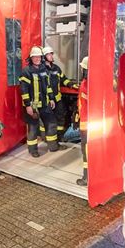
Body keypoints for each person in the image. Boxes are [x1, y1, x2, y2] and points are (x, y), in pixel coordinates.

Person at [19, 46, 61, 158]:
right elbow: (24, 90)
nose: (37, 58)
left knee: (51, 124)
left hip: (45, 105)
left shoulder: (43, 70)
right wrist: (28, 106)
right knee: (33, 129)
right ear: (31, 58)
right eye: (34, 57)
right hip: (32, 106)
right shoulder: (26, 71)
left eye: (39, 56)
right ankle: (33, 150)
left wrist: (51, 98)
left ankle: (53, 146)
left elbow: (48, 86)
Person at [42, 46, 78, 144]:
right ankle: (48, 139)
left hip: (57, 99)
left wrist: (71, 84)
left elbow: (63, 79)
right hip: (47, 100)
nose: (51, 56)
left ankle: (59, 136)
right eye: (49, 54)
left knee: (61, 117)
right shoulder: (41, 69)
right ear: (44, 57)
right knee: (50, 120)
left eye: (51, 54)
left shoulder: (56, 68)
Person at [76, 56, 89, 186]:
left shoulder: (87, 85)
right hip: (86, 120)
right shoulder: (88, 83)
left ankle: (86, 178)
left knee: (86, 151)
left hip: (87, 124)